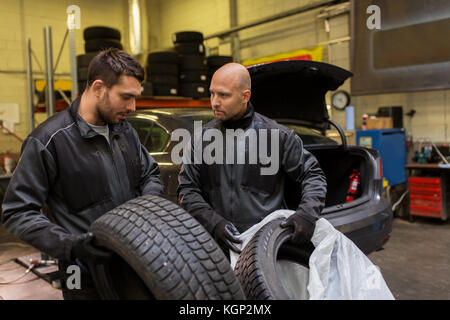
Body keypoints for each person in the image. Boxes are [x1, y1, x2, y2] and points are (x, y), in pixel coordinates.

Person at [1, 48, 164, 299]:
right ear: (98, 88)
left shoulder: (124, 131)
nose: (133, 106)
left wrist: (147, 206)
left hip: (132, 261)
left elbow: (150, 174)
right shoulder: (48, 141)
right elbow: (17, 212)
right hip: (80, 271)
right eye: (126, 97)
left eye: (135, 97)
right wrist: (72, 246)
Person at [177, 63, 327, 255]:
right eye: (212, 93)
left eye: (223, 95)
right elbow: (187, 189)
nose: (214, 102)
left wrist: (306, 215)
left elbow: (313, 175)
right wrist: (214, 223)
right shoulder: (201, 139)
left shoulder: (277, 137)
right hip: (217, 246)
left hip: (266, 248)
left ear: (245, 96)